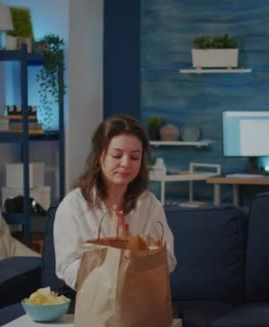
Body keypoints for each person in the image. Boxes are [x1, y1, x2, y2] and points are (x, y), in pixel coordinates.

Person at [54, 114, 177, 295]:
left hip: (139, 296)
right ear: (99, 156)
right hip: (92, 298)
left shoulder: (148, 204)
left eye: (135, 157)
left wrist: (133, 248)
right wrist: (113, 251)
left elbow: (168, 261)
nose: (126, 164)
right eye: (117, 155)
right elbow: (67, 269)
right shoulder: (74, 205)